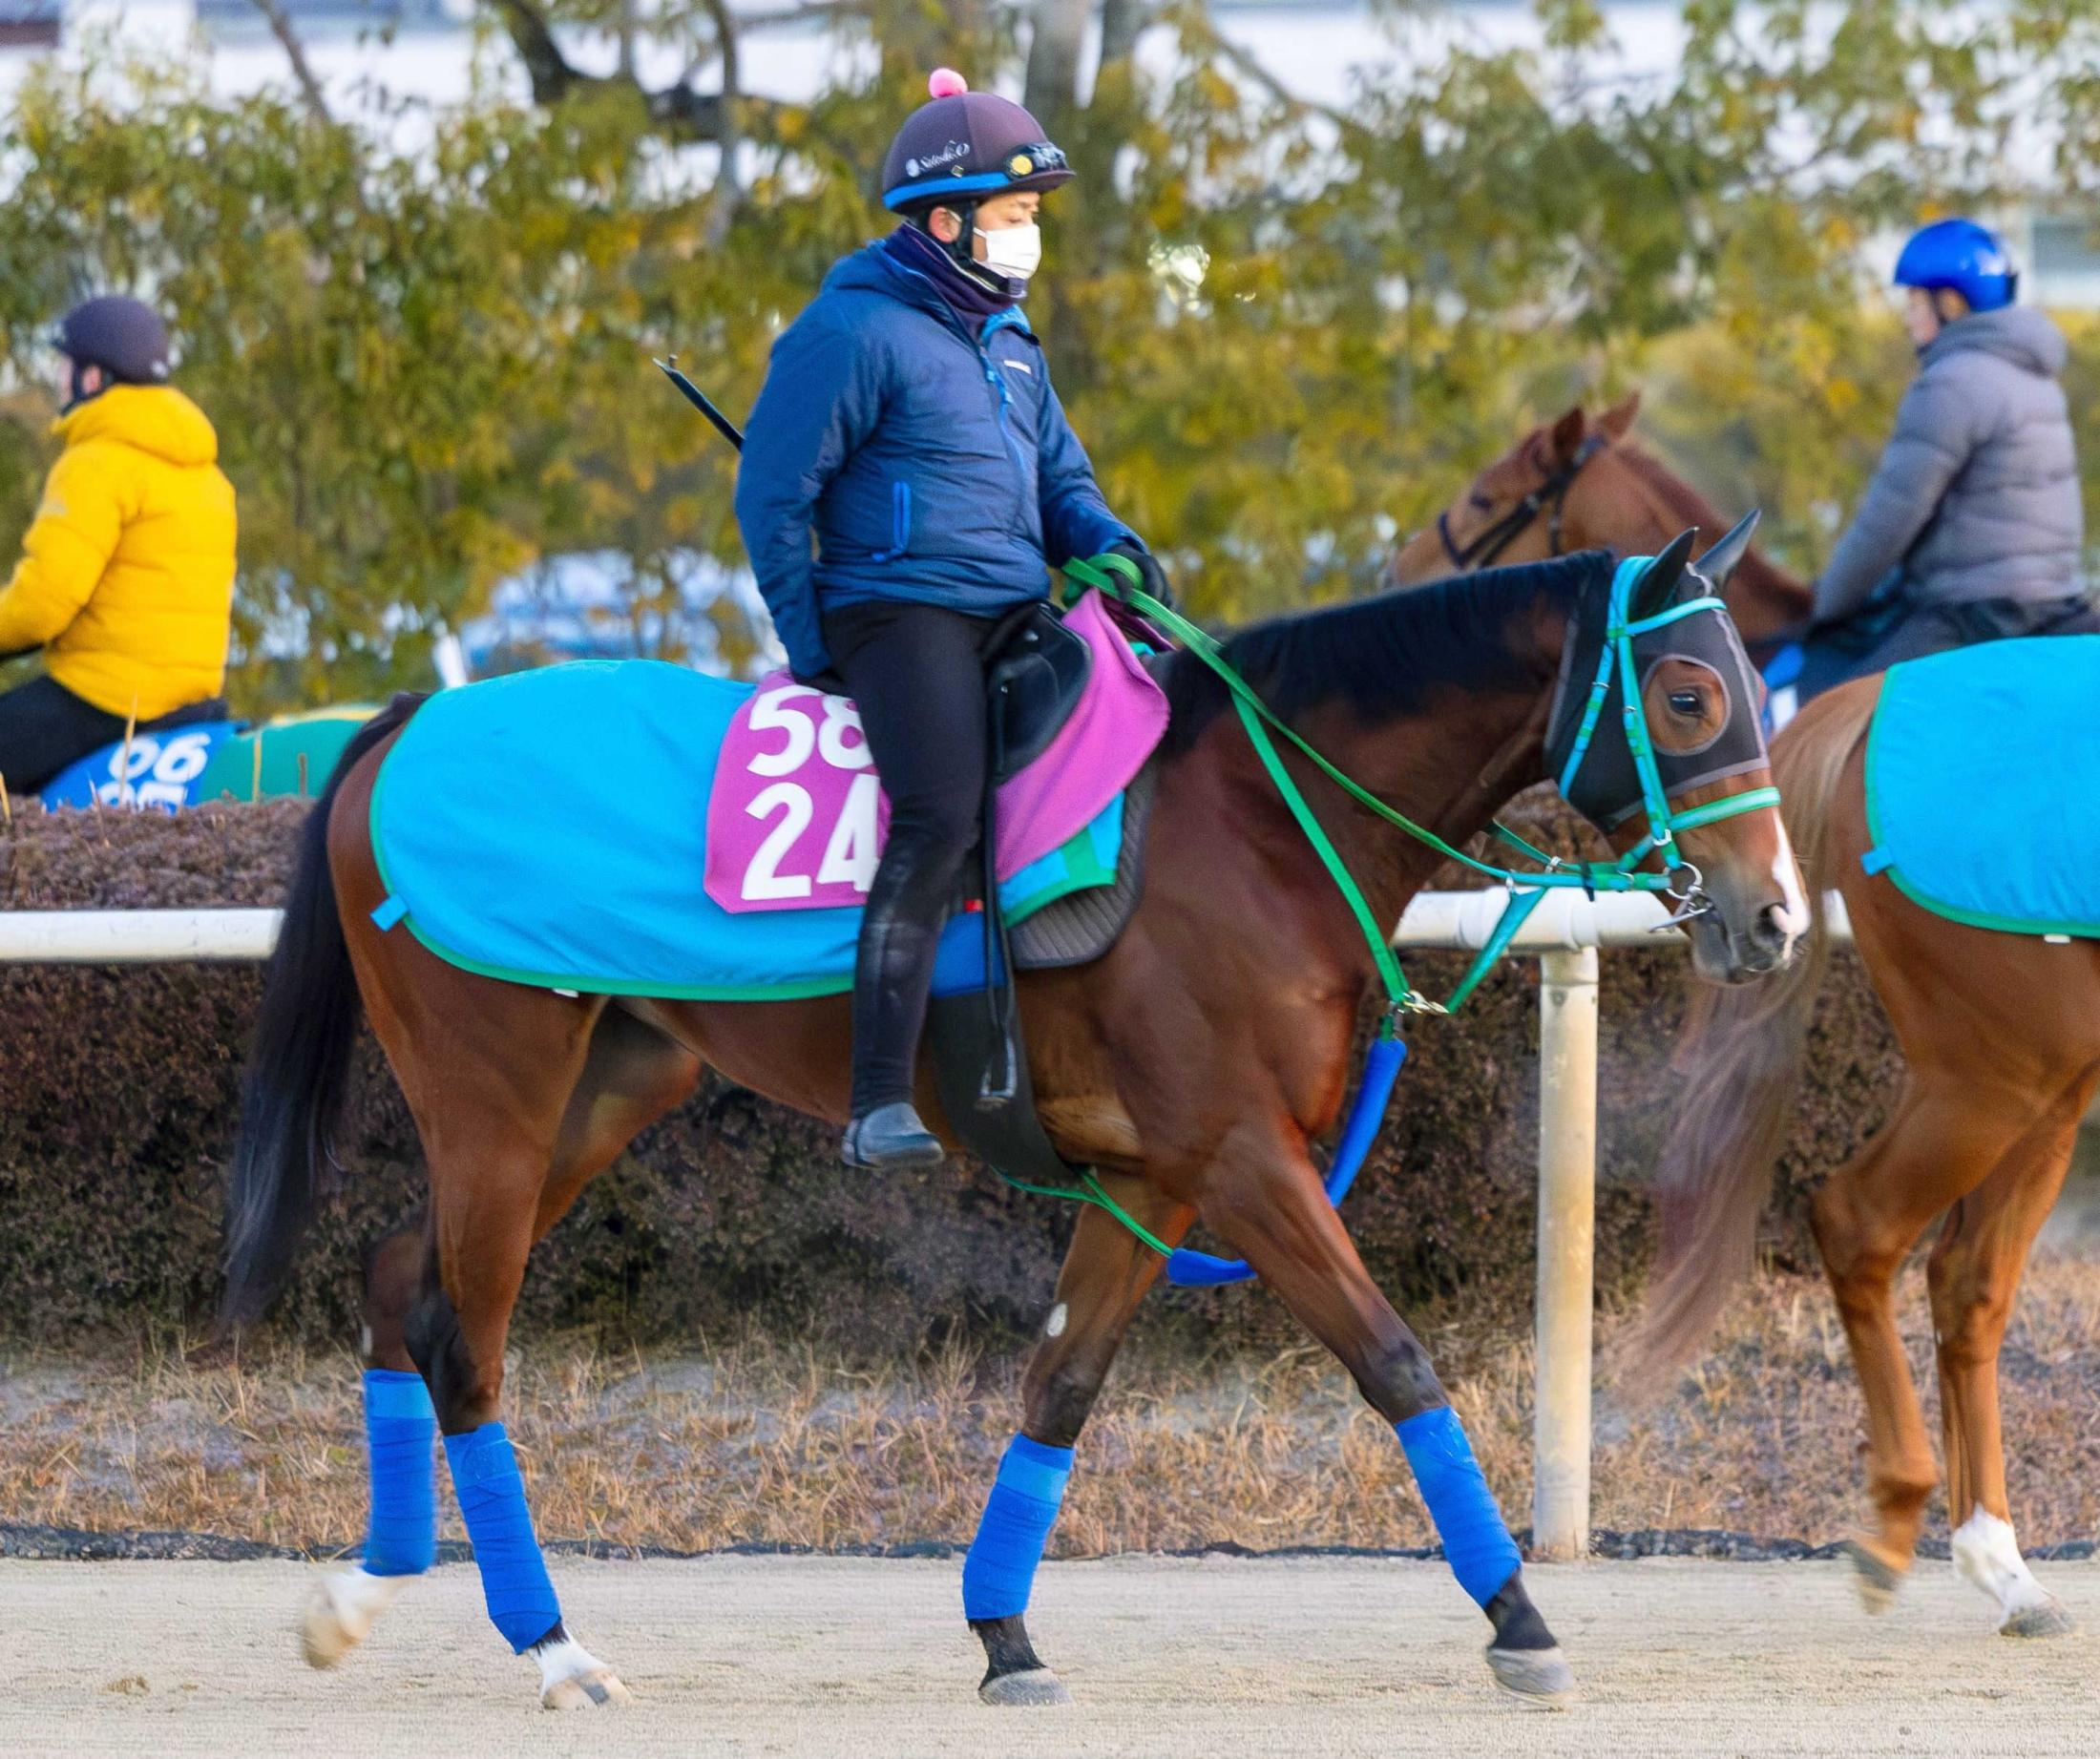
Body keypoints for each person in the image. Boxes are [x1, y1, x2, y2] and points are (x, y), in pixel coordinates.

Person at [735, 70, 1168, 1170]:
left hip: (1013, 607)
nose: (1030, 238)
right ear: (947, 220)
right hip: (896, 613)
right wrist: (815, 643)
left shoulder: (1014, 340)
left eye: (1031, 218)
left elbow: (1060, 485)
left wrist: (1112, 549)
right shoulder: (848, 330)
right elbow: (771, 498)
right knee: (937, 815)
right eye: (1015, 218)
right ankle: (878, 1097)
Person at [1797, 218, 2092, 699]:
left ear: (1950, 303)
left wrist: (1823, 605)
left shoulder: (1952, 381)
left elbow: (1887, 523)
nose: (1908, 317)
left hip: (1978, 612)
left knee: (1829, 717)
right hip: (2054, 600)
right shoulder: (2035, 376)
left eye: (1914, 301)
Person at [0, 296, 238, 793]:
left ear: (92, 379)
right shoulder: (208, 476)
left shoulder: (96, 462)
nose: (57, 377)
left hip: (104, 701)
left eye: (64, 365)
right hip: (191, 700)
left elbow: (43, 604)